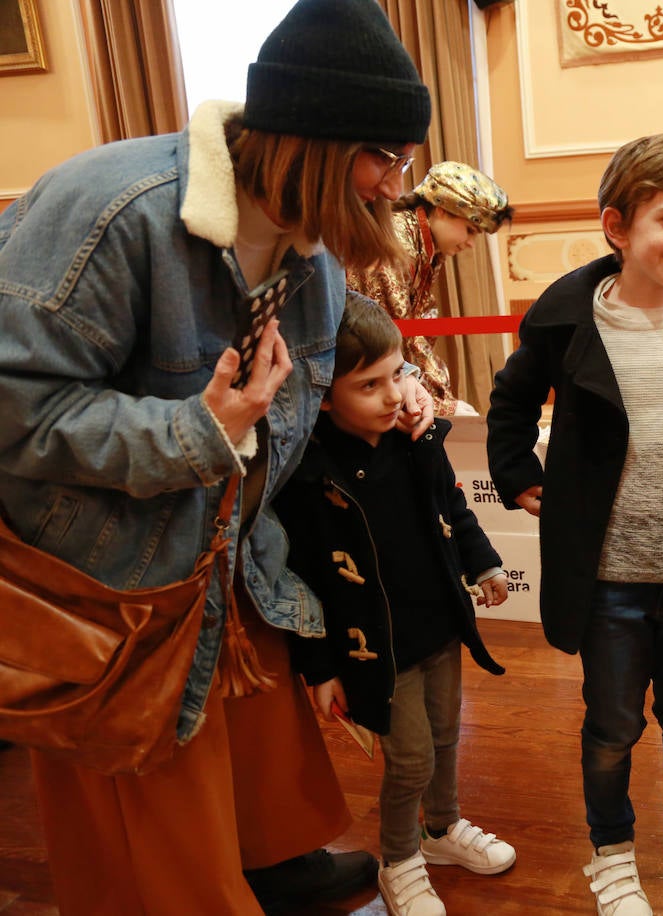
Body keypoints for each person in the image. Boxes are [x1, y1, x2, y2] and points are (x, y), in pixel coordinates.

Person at [0, 0, 441, 912]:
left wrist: (397, 401)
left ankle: (266, 861)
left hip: (231, 556)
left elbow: (293, 407)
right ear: (314, 140)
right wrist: (196, 432)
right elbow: (15, 412)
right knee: (150, 806)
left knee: (256, 732)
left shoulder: (311, 251)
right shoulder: (111, 209)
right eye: (385, 159)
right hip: (108, 581)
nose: (396, 187)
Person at [486, 131, 663, 916]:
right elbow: (509, 403)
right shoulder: (565, 322)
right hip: (608, 574)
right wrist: (518, 476)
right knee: (612, 725)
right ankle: (612, 848)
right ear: (618, 227)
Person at [276, 293, 514, 916]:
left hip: (438, 625)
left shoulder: (416, 438)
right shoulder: (309, 475)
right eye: (369, 384)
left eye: (398, 373)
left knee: (444, 739)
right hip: (375, 648)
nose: (392, 394)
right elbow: (299, 580)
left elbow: (452, 507)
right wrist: (320, 668)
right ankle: (399, 857)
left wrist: (482, 561)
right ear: (324, 394)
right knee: (409, 757)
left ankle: (441, 829)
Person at [347, 161, 513, 416]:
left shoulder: (427, 248)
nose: (470, 243)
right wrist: (441, 403)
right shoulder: (398, 240)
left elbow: (418, 327)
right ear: (442, 210)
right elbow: (394, 328)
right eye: (470, 230)